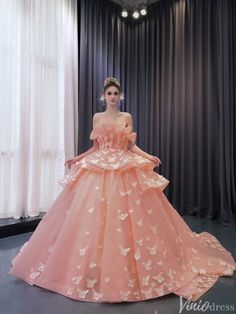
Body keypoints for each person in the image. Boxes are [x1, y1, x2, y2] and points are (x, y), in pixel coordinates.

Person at [9, 77, 236, 303]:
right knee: (92, 216)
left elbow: (131, 145)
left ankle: (126, 266)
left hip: (123, 164)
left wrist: (147, 156)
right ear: (104, 96)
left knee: (130, 216)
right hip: (100, 164)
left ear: (120, 96)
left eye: (116, 94)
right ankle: (93, 265)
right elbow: (96, 146)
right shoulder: (97, 117)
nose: (113, 97)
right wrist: (77, 158)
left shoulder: (126, 117)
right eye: (109, 94)